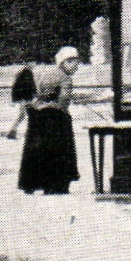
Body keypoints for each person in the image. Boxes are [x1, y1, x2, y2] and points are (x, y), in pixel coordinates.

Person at [18, 47, 82, 194]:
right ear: (64, 62)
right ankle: (55, 185)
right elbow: (63, 101)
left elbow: (31, 95)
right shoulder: (65, 78)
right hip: (56, 119)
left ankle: (31, 184)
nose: (75, 66)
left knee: (37, 150)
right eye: (72, 62)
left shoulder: (43, 72)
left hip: (37, 117)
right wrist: (64, 114)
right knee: (58, 151)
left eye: (76, 63)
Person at [6, 66, 37, 139]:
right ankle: (12, 132)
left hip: (26, 97)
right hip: (25, 97)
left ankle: (13, 132)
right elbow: (21, 86)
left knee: (25, 115)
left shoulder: (25, 72)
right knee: (23, 115)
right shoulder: (26, 73)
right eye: (32, 62)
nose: (34, 64)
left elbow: (16, 86)